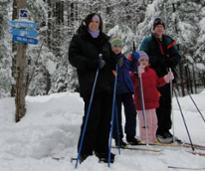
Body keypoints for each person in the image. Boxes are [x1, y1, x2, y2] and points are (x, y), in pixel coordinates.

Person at [68, 13, 116, 163]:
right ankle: (85, 151)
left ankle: (102, 150)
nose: (95, 24)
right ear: (87, 23)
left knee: (105, 119)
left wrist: (117, 61)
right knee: (92, 118)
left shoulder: (105, 40)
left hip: (107, 85)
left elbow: (111, 59)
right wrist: (92, 63)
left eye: (98, 22)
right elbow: (73, 58)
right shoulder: (79, 39)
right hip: (91, 84)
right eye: (92, 21)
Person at [139, 18, 181, 143]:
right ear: (153, 28)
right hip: (153, 76)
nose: (160, 28)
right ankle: (156, 130)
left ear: (164, 28)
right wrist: (159, 60)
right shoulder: (148, 41)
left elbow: (176, 56)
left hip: (167, 76)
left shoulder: (168, 40)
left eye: (161, 26)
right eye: (157, 26)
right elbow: (142, 56)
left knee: (167, 103)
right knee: (157, 103)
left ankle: (165, 129)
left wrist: (170, 61)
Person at [131, 51, 174, 144]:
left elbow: (158, 82)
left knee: (154, 122)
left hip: (152, 102)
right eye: (141, 60)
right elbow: (132, 85)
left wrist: (166, 78)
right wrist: (137, 74)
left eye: (146, 60)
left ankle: (152, 137)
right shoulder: (135, 73)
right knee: (145, 123)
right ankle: (145, 138)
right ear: (137, 61)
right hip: (142, 103)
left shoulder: (152, 71)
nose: (144, 62)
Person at [110, 37, 140, 147]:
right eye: (114, 46)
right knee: (116, 115)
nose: (117, 48)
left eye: (119, 46)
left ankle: (131, 136)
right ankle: (118, 138)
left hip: (127, 90)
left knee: (131, 113)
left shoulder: (124, 58)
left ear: (122, 48)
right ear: (111, 48)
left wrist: (135, 60)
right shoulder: (109, 59)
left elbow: (132, 68)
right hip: (115, 91)